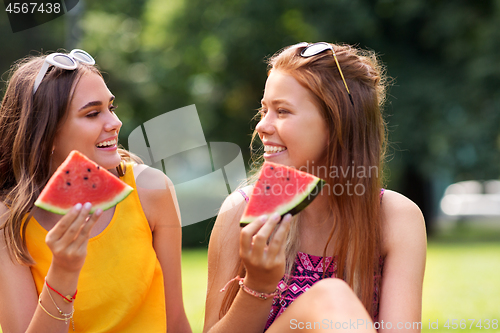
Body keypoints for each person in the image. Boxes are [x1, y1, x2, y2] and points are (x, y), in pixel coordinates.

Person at [203, 42, 427, 333]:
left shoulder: (396, 217)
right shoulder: (240, 211)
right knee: (329, 297)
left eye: (282, 111)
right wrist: (258, 286)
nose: (262, 126)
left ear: (337, 125)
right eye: (264, 110)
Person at [0, 50, 192, 333]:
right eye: (92, 113)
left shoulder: (152, 190)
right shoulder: (9, 221)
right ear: (46, 134)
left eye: (110, 108)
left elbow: (175, 322)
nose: (115, 123)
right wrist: (63, 273)